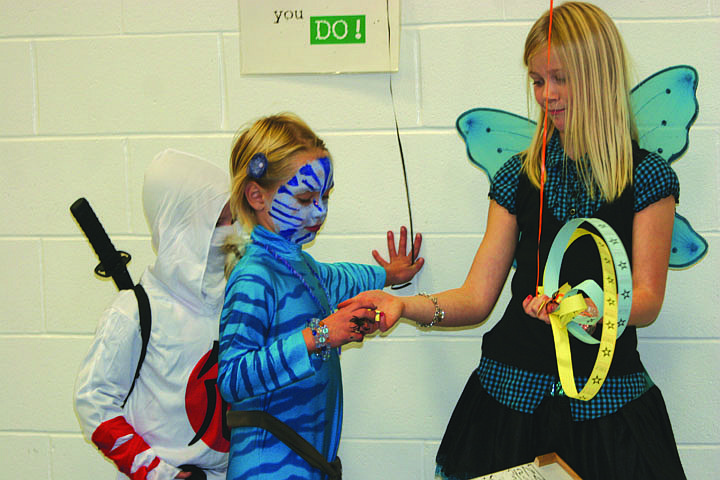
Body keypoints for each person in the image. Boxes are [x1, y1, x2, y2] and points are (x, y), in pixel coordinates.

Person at [340, 3, 686, 479]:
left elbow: (646, 300)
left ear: (598, 76)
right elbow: (476, 298)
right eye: (538, 81)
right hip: (507, 402)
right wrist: (405, 307)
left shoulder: (646, 177)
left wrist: (593, 309)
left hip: (609, 407)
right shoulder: (519, 175)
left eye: (560, 78)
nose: (547, 95)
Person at [217, 113, 424, 479]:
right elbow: (232, 378)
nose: (320, 211)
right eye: (305, 197)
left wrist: (389, 274)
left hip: (306, 465)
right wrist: (320, 335)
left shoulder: (301, 266)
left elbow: (339, 277)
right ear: (256, 196)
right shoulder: (254, 277)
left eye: (325, 196)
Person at [74, 149, 233, 480]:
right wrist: (160, 474)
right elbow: (93, 402)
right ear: (184, 227)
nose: (231, 233)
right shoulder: (134, 312)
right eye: (219, 222)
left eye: (234, 220)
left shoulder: (234, 302)